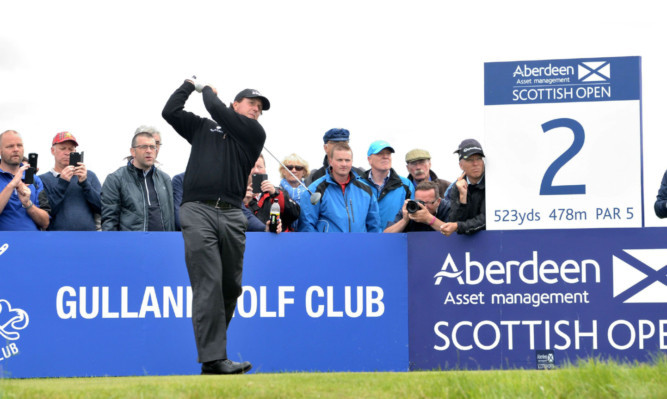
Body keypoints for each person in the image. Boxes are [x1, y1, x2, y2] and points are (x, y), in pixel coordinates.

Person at [162, 77, 268, 375]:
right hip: (197, 211)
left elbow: (215, 108)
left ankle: (213, 356)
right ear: (236, 104)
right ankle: (213, 358)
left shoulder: (253, 133)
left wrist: (207, 91)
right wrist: (187, 85)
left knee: (230, 287)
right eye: (252, 104)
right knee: (208, 283)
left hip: (233, 214)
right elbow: (170, 112)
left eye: (260, 108)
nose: (256, 111)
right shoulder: (203, 127)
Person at [298, 142, 381, 232]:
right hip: (327, 245)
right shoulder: (315, 190)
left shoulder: (366, 190)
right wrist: (320, 246)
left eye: (347, 160)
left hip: (359, 245)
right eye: (339, 160)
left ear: (352, 162)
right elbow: (306, 226)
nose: (344, 164)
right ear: (331, 161)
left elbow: (374, 226)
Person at [101, 132, 175, 231]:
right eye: (144, 147)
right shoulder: (115, 179)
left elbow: (171, 219)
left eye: (152, 147)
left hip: (161, 244)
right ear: (133, 151)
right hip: (131, 245)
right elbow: (109, 221)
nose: (149, 151)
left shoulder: (165, 179)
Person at [38, 131, 102, 231]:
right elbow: (46, 213)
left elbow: (103, 208)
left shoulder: (89, 176)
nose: (67, 153)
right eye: (63, 148)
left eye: (71, 149)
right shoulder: (42, 180)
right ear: (52, 151)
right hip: (57, 240)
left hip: (88, 239)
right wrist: (62, 183)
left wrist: (85, 183)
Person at [173, 171, 273, 232]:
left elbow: (242, 213)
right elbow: (179, 216)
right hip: (191, 242)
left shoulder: (227, 182)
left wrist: (265, 228)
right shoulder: (180, 180)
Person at [0, 130, 50, 230]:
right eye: (10, 146)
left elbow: (45, 222)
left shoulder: (35, 180)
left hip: (31, 243)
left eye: (19, 145)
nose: (16, 149)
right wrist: (12, 185)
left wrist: (27, 203)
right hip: (3, 244)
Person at [363, 140, 414, 230]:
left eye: (388, 154)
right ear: (369, 159)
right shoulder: (357, 185)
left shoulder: (406, 184)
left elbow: (413, 217)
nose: (385, 157)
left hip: (396, 240)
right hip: (363, 240)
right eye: (380, 154)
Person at [440, 139, 486, 236]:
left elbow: (486, 219)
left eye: (478, 158)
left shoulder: (492, 183)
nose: (475, 163)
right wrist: (462, 197)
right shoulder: (456, 186)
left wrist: (458, 226)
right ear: (461, 165)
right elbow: (454, 221)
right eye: (470, 159)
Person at [244, 154, 299, 232]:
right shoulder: (237, 194)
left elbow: (295, 214)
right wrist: (245, 203)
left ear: (265, 170)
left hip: (276, 241)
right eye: (252, 166)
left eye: (260, 167)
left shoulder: (277, 191)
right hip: (250, 241)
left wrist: (275, 194)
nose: (256, 170)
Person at [384, 181, 450, 232]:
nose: (424, 207)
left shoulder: (448, 208)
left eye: (428, 202)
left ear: (438, 201)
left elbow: (455, 232)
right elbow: (386, 236)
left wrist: (429, 219)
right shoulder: (411, 208)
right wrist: (404, 220)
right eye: (420, 202)